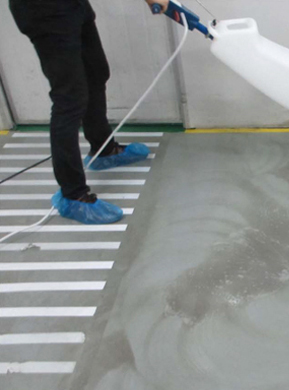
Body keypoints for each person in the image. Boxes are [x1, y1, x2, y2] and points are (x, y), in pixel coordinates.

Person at [8, 0, 169, 224]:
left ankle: (103, 150)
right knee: (69, 98)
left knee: (96, 72)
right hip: (44, 11)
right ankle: (73, 195)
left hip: (73, 6)